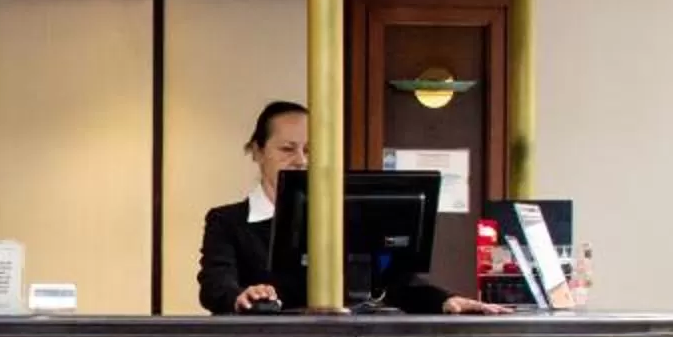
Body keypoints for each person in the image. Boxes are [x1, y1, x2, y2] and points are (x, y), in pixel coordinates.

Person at [196, 100, 509, 316]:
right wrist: (241, 296)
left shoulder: (343, 215)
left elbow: (392, 282)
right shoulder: (227, 221)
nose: (302, 160)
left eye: (310, 150)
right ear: (257, 152)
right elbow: (215, 286)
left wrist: (446, 300)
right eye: (288, 149)